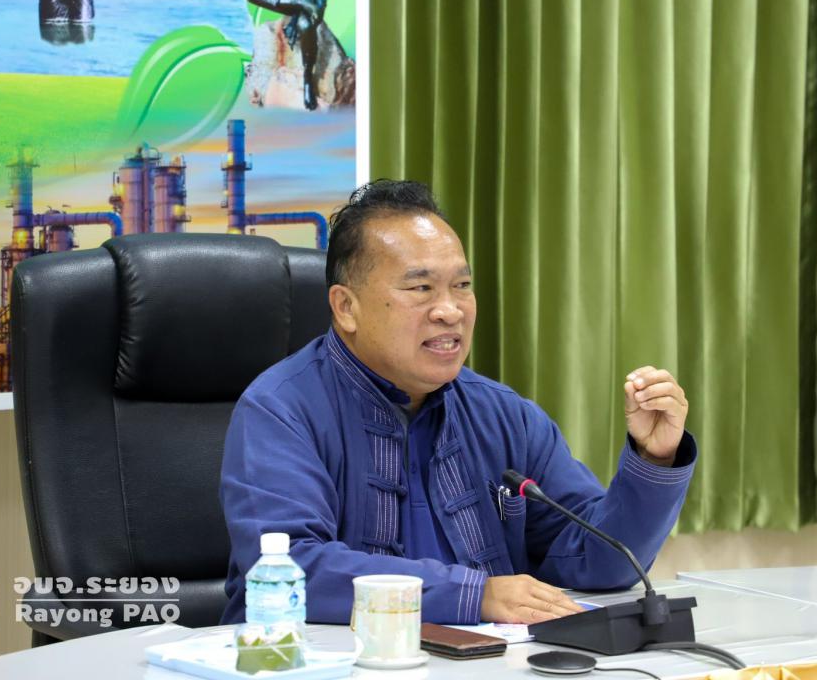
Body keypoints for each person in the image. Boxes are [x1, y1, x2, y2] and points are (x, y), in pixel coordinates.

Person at [220, 180, 696, 625]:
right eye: (421, 288)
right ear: (346, 307)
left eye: (462, 286)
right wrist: (474, 595)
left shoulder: (504, 415)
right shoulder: (281, 409)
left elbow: (600, 560)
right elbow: (293, 567)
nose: (450, 310)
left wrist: (654, 460)